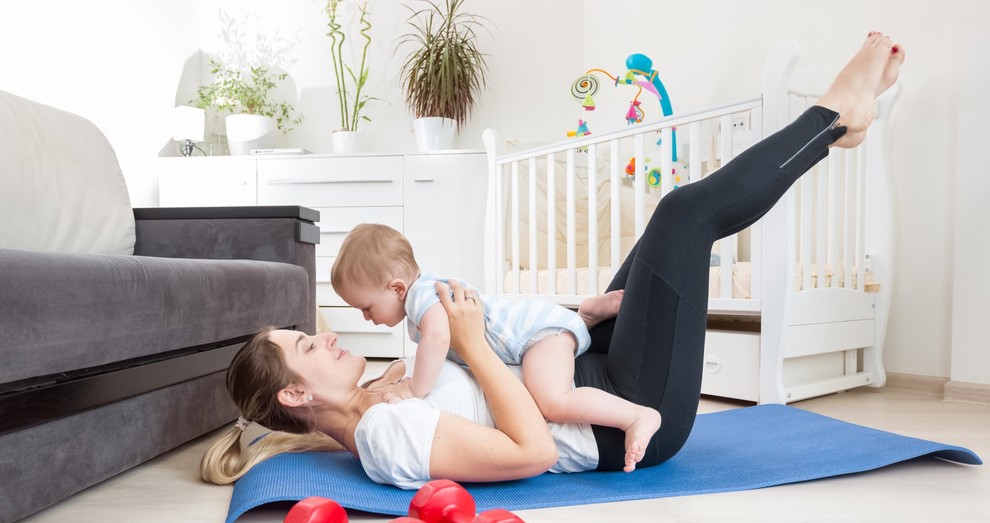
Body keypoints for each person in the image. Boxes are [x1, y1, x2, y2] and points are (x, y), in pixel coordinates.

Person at [201, 33, 905, 489]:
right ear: (296, 393)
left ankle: (836, 125)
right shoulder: (384, 435)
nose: (325, 334)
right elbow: (531, 452)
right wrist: (473, 346)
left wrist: (532, 327)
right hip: (627, 412)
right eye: (304, 344)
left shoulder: (383, 396)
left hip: (588, 368)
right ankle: (835, 119)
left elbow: (481, 361)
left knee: (662, 233)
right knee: (682, 216)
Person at [329, 223, 658, 472]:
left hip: (536, 336)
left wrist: (416, 388)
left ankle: (635, 417)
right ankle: (584, 316)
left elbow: (438, 339)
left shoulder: (423, 300)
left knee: (553, 400)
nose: (367, 318)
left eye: (367, 307)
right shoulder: (424, 293)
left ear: (396, 288)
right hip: (534, 332)